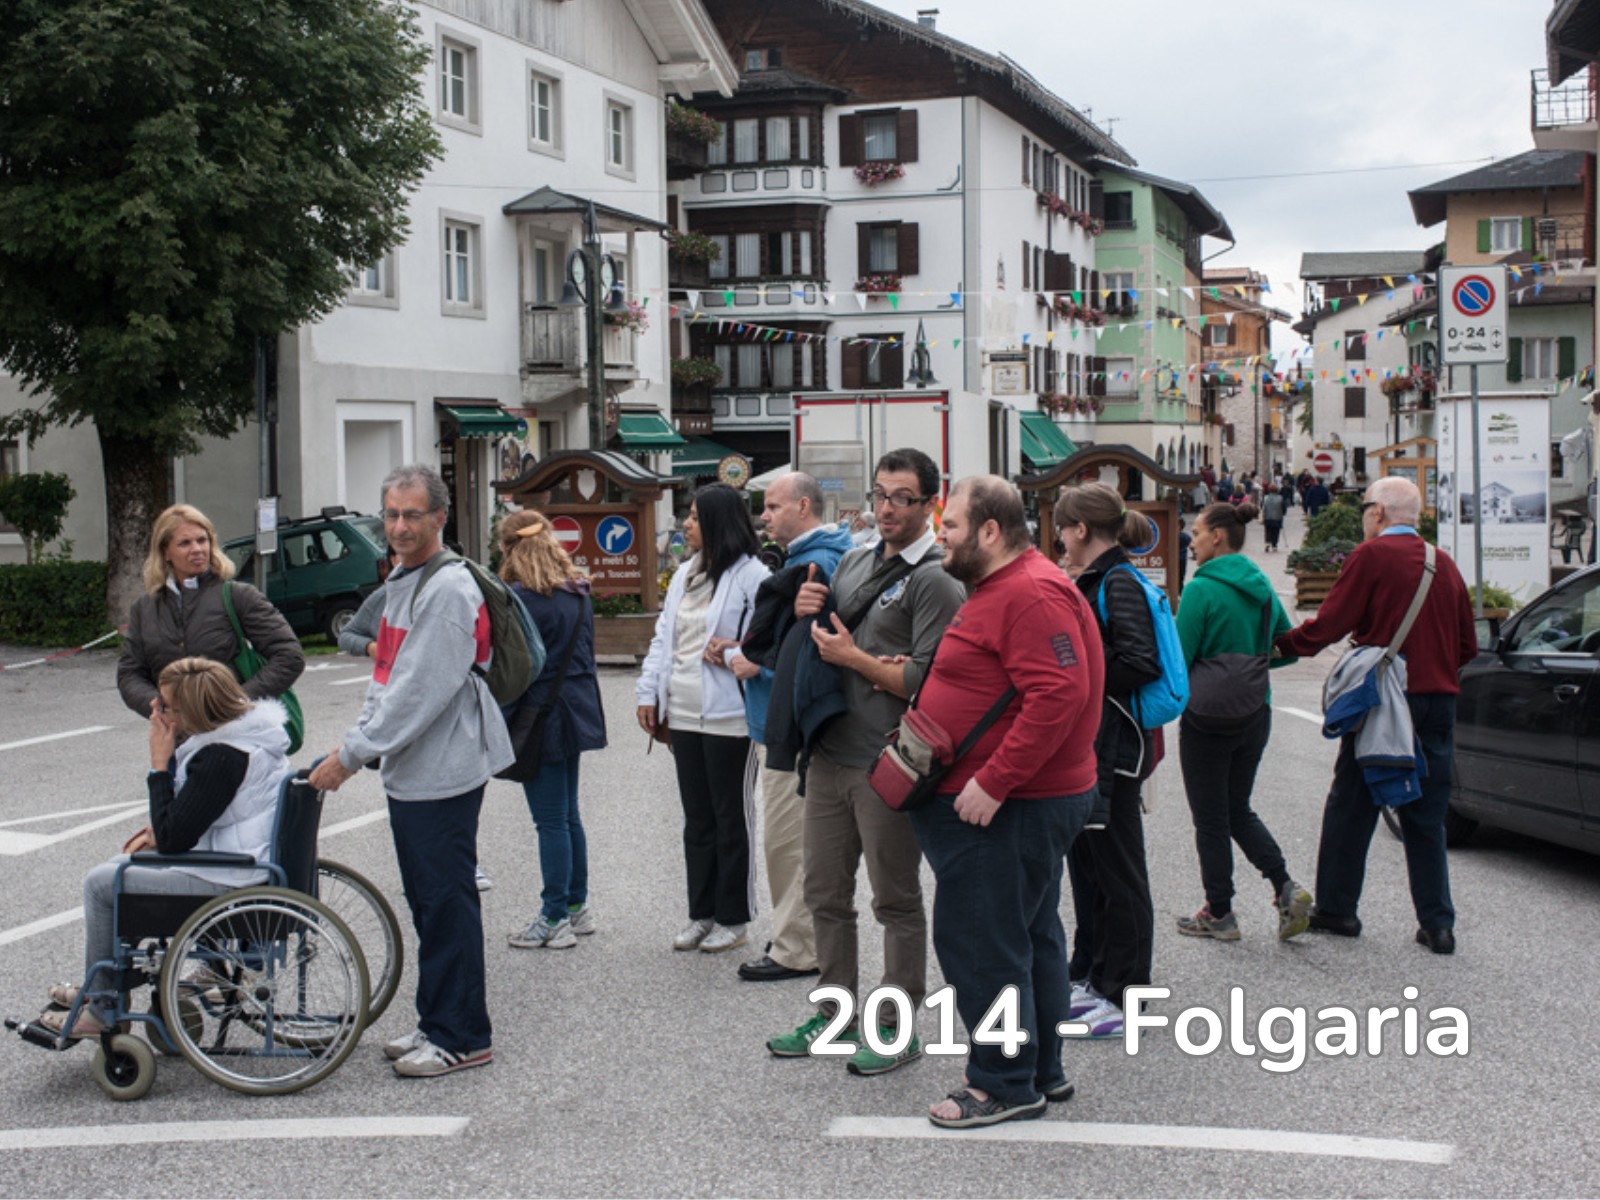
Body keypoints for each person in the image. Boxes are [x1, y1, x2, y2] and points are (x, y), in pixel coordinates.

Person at [910, 476, 1105, 1129]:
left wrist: (994, 781)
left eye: (953, 527)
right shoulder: (1015, 584)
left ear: (990, 531)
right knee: (1027, 936)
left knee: (981, 944)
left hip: (1008, 806)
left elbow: (1059, 694)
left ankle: (1000, 1082)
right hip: (1016, 802)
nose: (942, 536)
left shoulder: (1027, 592)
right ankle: (1038, 1069)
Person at [308, 464, 513, 1078]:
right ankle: (436, 1020)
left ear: (440, 518)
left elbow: (419, 691)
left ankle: (462, 1036)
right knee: (429, 902)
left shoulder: (447, 589)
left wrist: (352, 755)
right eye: (391, 515)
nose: (398, 526)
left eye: (412, 515)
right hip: (417, 766)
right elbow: (388, 675)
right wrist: (364, 743)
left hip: (443, 766)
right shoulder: (406, 577)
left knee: (446, 903)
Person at [766, 447, 965, 1074]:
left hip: (889, 762)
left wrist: (854, 660)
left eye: (901, 497)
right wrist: (805, 619)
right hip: (828, 755)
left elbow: (931, 681)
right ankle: (833, 1014)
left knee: (895, 900)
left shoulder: (936, 578)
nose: (885, 508)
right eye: (880, 494)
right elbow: (820, 643)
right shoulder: (851, 559)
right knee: (824, 892)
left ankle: (894, 1024)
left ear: (929, 502)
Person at [1275, 476, 1477, 954]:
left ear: (1379, 513)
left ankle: (1338, 910)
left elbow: (1331, 623)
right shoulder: (1442, 563)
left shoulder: (1370, 556)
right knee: (1427, 814)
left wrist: (1281, 645)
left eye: (1367, 507)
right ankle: (1437, 924)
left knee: (1353, 801)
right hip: (1439, 699)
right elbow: (1467, 644)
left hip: (1389, 700)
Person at [40, 658, 292, 1038]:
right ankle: (102, 986)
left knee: (101, 883)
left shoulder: (223, 756)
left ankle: (105, 1004)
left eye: (165, 706)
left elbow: (174, 838)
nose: (156, 711)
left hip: (231, 881)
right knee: (120, 864)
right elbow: (188, 819)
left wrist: (160, 763)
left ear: (192, 711)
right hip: (245, 865)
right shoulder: (250, 739)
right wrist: (161, 828)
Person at [709, 473, 853, 983]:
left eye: (772, 506)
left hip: (790, 724)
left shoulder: (819, 563)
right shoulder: (806, 558)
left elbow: (817, 649)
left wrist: (758, 664)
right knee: (789, 839)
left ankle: (797, 947)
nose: (763, 516)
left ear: (803, 506)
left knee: (788, 840)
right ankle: (797, 934)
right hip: (781, 721)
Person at [636, 484, 769, 956]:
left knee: (731, 817)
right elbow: (663, 640)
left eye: (693, 517)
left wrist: (734, 650)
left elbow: (769, 642)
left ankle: (734, 918)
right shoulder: (686, 573)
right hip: (685, 711)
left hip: (730, 714)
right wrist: (648, 692)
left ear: (717, 523)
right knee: (697, 820)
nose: (686, 525)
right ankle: (702, 913)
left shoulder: (753, 575)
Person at [1173, 502, 1312, 942]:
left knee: (1210, 817)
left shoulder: (1201, 589)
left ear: (1218, 536)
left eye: (1195, 532)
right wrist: (1249, 669)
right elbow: (1288, 647)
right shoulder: (1261, 587)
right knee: (1238, 808)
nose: (1190, 541)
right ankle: (1283, 884)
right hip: (1256, 712)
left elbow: (1179, 658)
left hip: (1206, 718)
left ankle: (1220, 912)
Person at [1055, 482, 1160, 1040]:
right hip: (1097, 744)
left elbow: (1138, 661)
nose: (1059, 541)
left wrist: (1083, 679)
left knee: (1120, 872)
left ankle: (1128, 992)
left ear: (1079, 530)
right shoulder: (1102, 578)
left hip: (1117, 747)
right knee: (1090, 866)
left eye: (1061, 529)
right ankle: (1092, 975)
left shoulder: (1119, 582)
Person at [498, 510, 608, 950]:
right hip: (578, 708)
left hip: (540, 714)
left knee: (549, 821)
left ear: (509, 549)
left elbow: (513, 667)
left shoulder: (520, 599)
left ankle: (553, 917)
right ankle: (577, 908)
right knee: (568, 814)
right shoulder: (577, 592)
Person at [117, 503, 304, 721]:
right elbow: (129, 674)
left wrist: (235, 701)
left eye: (202, 540)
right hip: (176, 737)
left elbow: (289, 656)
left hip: (234, 732)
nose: (197, 549)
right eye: (185, 543)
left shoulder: (238, 595)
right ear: (165, 552)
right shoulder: (145, 608)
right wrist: (159, 706)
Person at [1260, 484, 1285, 552]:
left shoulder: (1266, 497)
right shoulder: (1280, 498)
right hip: (1277, 517)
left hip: (1267, 517)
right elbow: (1284, 508)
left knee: (1268, 530)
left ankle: (1267, 542)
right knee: (1276, 531)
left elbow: (1262, 506)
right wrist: (1283, 513)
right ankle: (1274, 545)